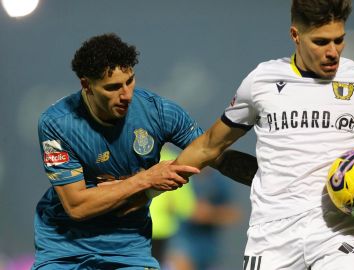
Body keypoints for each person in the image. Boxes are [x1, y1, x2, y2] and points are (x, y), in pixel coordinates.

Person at [172, 0, 354, 269]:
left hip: (338, 232)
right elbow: (210, 145)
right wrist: (151, 186)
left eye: (339, 40)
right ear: (295, 35)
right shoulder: (261, 80)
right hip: (272, 236)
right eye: (321, 42)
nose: (332, 51)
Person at [33, 33, 255, 270]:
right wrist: (145, 179)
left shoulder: (159, 112)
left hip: (128, 248)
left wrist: (281, 179)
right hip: (65, 247)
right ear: (86, 85)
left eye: (130, 81)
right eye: (113, 87)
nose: (126, 94)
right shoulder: (57, 123)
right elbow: (78, 206)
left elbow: (214, 153)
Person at [167, 167, 241, 270]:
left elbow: (234, 215)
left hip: (210, 248)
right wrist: (189, 210)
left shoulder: (219, 180)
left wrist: (211, 213)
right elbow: (168, 205)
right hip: (181, 242)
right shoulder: (178, 175)